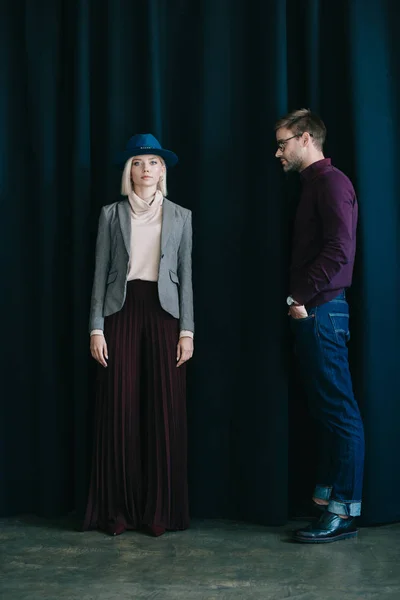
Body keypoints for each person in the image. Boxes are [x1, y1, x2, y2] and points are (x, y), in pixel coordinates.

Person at [83, 133, 194, 536]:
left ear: (163, 170)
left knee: (165, 412)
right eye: (137, 162)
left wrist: (188, 331)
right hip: (121, 312)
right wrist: (96, 327)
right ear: (127, 171)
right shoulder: (111, 214)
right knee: (120, 407)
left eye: (153, 163)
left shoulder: (181, 216)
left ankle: (160, 512)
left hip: (165, 315)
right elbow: (99, 275)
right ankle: (118, 511)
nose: (145, 169)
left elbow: (186, 278)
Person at [275, 109, 365, 543]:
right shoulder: (314, 186)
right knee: (329, 412)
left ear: (305, 138)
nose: (279, 151)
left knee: (341, 413)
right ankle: (328, 500)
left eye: (283, 143)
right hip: (318, 312)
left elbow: (339, 251)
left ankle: (344, 511)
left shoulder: (331, 183)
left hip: (324, 311)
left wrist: (300, 299)